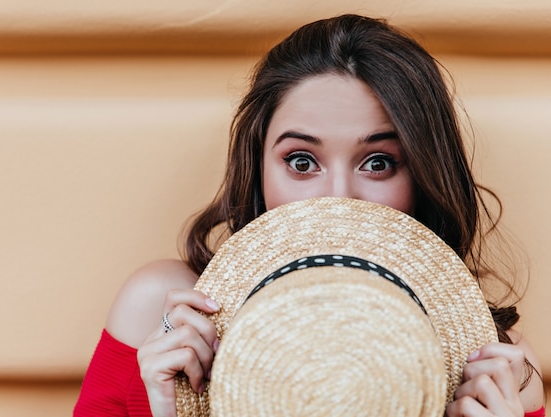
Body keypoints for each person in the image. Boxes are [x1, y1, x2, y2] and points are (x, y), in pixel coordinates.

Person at [74, 14, 545, 417]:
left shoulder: (500, 371)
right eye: (302, 162)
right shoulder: (160, 315)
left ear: (422, 175)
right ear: (257, 167)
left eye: (378, 163)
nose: (337, 198)